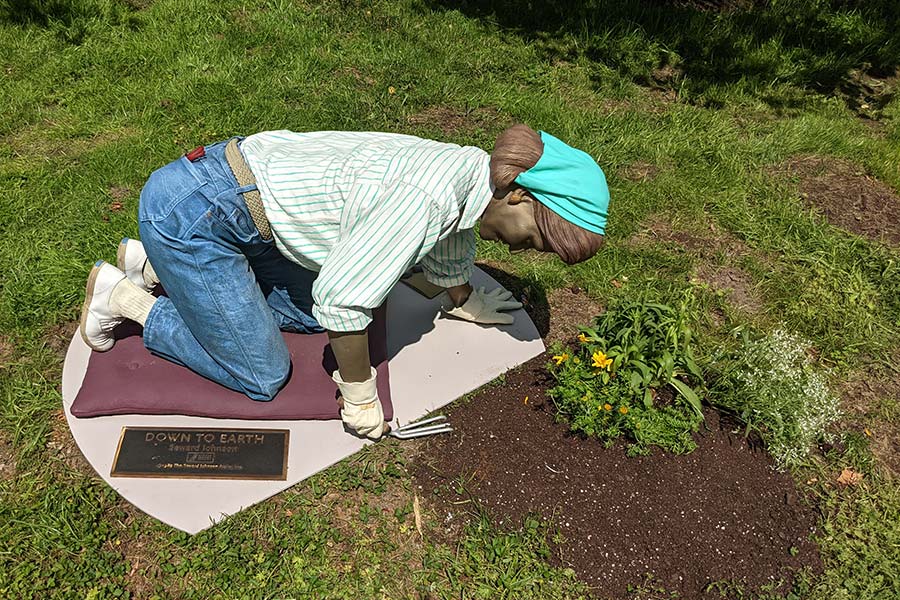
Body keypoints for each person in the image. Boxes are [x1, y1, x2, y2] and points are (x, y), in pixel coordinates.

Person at [79, 124, 609, 440]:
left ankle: (152, 263)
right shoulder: (422, 200)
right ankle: (126, 298)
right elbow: (343, 301)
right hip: (198, 209)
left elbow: (453, 233)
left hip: (235, 201)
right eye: (536, 238)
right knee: (262, 375)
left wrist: (461, 297)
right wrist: (358, 394)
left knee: (310, 316)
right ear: (517, 194)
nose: (524, 251)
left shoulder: (466, 173)